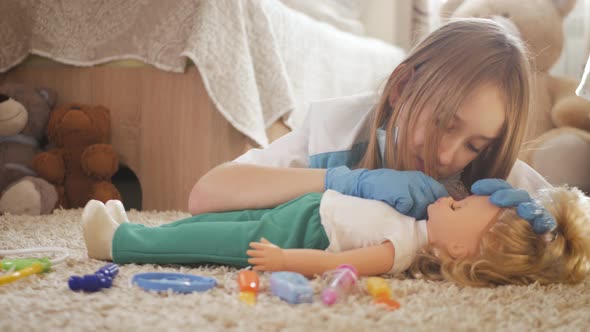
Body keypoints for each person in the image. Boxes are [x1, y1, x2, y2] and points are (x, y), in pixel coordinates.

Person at [188, 17, 548, 220]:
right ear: (402, 87)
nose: (446, 156)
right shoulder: (337, 130)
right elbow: (206, 194)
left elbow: (574, 218)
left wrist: (554, 229)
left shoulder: (489, 172)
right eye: (442, 123)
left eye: (472, 144)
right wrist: (344, 180)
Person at [82, 179, 590, 287]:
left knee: (209, 244)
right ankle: (139, 228)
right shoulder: (414, 219)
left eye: (457, 204)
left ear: (458, 247)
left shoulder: (400, 250)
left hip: (300, 235)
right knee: (208, 224)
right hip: (306, 209)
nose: (448, 196)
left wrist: (283, 261)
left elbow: (336, 266)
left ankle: (118, 244)